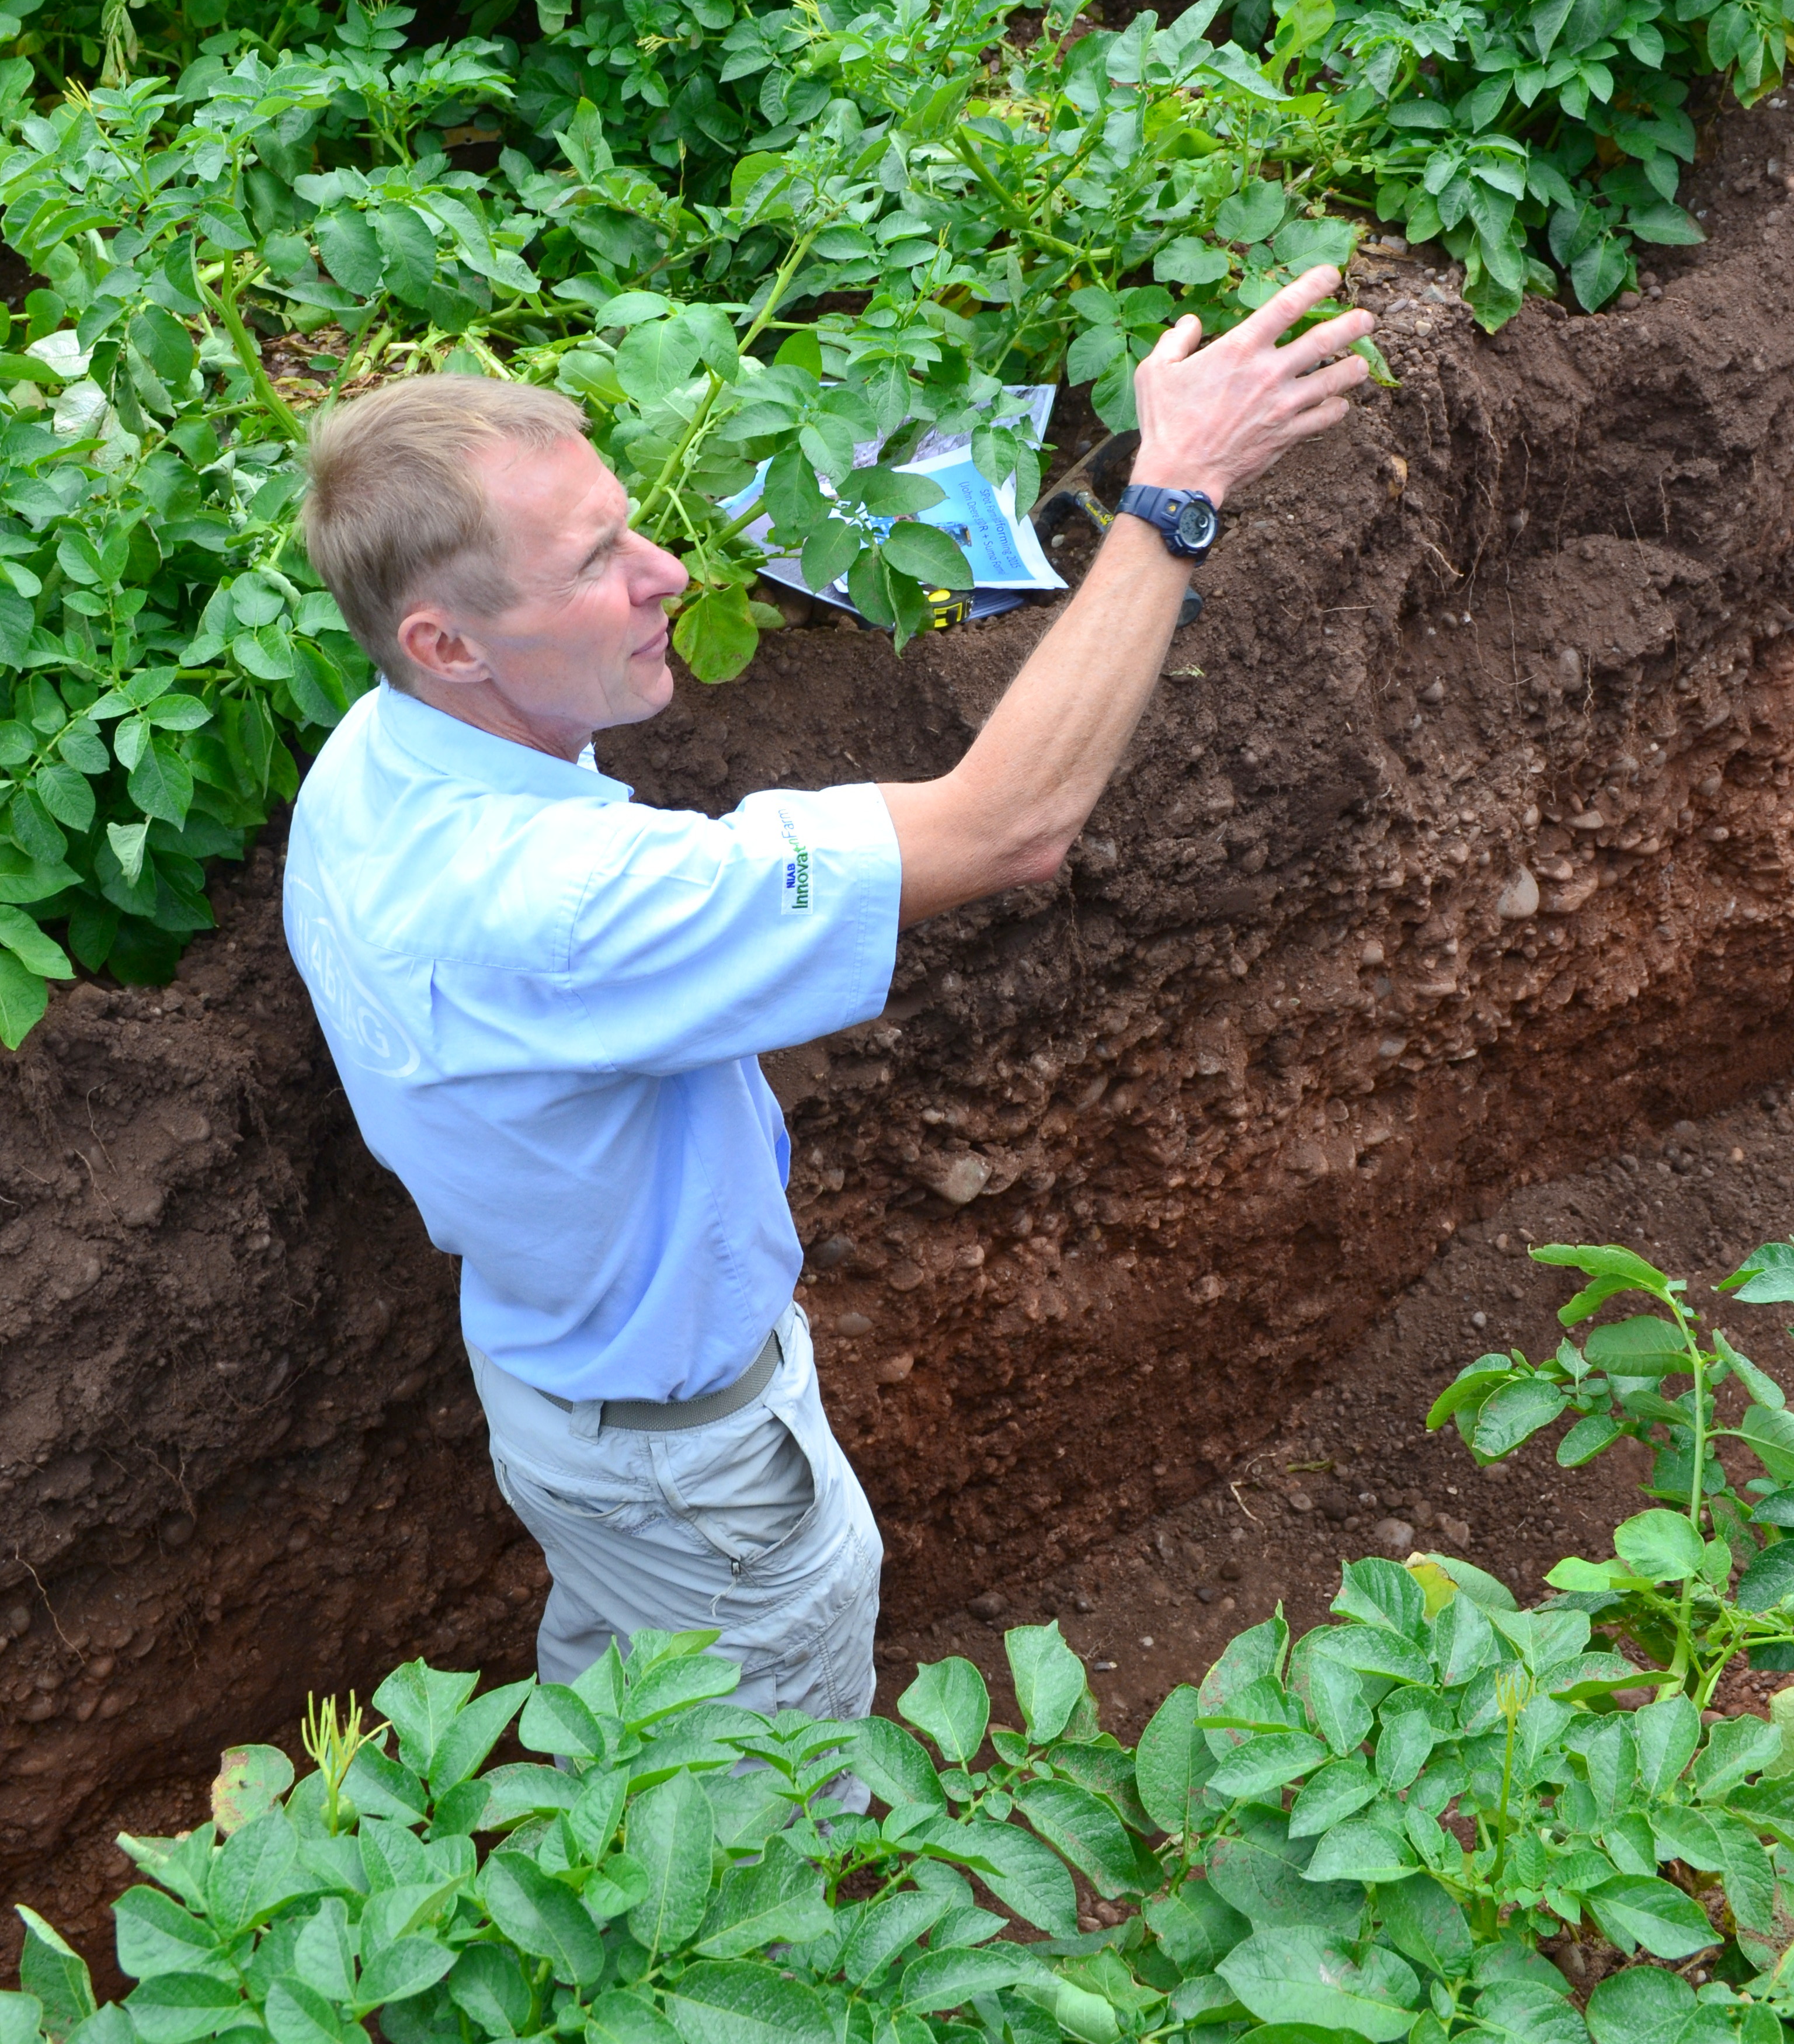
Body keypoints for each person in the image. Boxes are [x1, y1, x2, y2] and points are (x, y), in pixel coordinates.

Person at [282, 266, 1374, 1718]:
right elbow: (1012, 824)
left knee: (620, 1724)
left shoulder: (374, 764)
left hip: (560, 1404)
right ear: (448, 644)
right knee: (765, 1832)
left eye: (630, 525)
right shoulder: (564, 903)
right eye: (600, 562)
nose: (667, 572)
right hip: (698, 1471)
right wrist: (1174, 489)